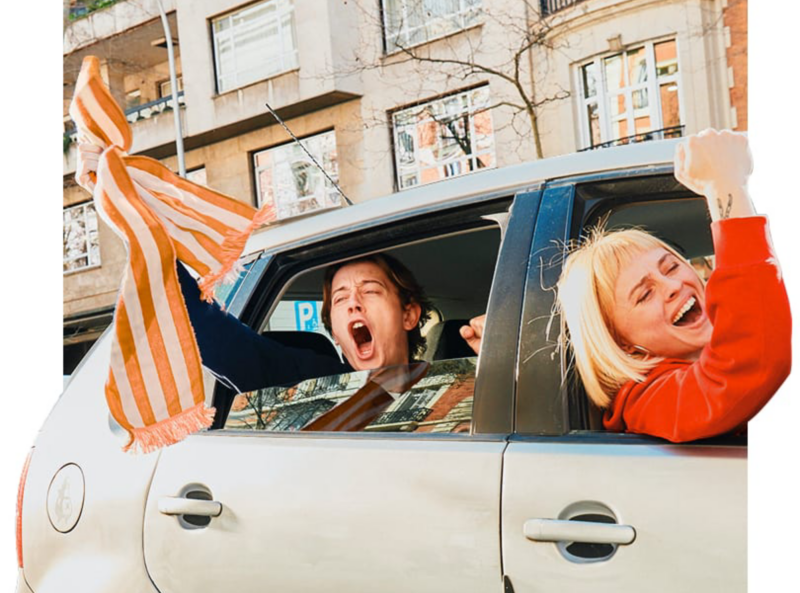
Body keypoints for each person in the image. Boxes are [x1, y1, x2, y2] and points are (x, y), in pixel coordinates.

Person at [555, 129, 791, 442]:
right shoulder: (647, 401)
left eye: (671, 266)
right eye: (645, 294)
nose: (672, 286)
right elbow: (742, 366)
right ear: (622, 342)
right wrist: (722, 184)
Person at [180, 251, 482, 394]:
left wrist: (508, 356)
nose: (354, 303)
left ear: (409, 315)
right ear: (335, 334)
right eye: (340, 299)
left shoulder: (467, 383)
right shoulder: (314, 381)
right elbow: (224, 340)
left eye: (370, 291)